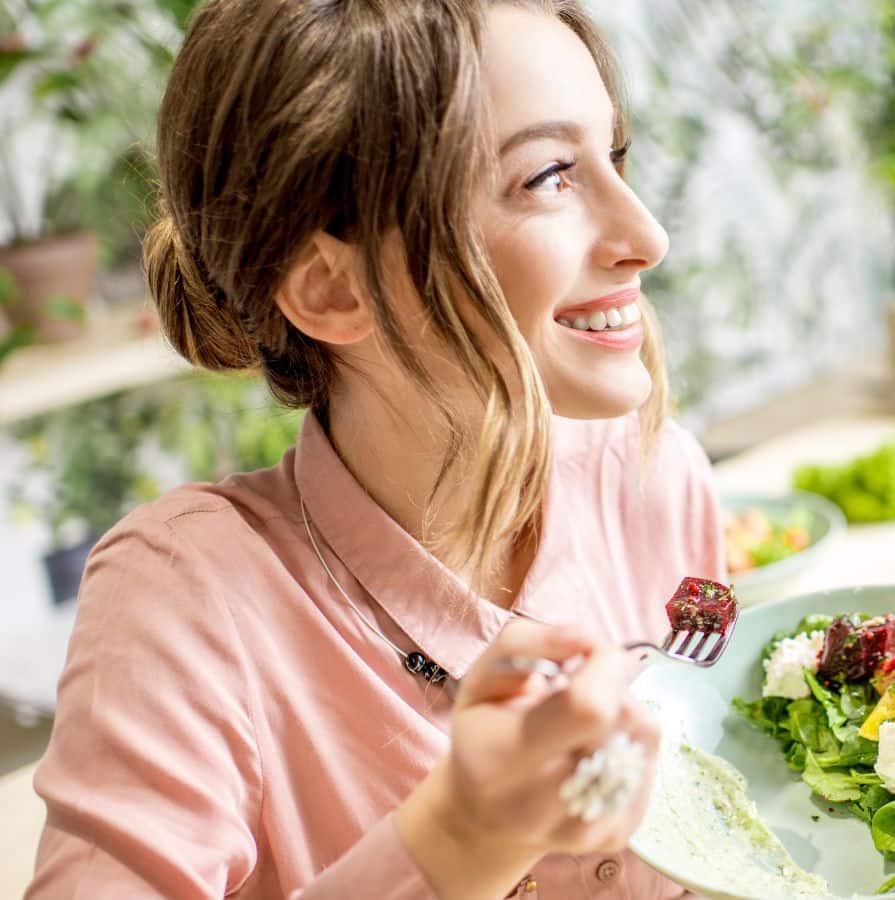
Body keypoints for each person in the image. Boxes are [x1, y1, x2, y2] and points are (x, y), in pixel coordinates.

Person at [26, 1, 724, 897]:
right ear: (330, 287)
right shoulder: (186, 600)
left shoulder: (654, 478)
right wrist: (462, 836)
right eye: (549, 175)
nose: (646, 238)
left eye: (613, 158)